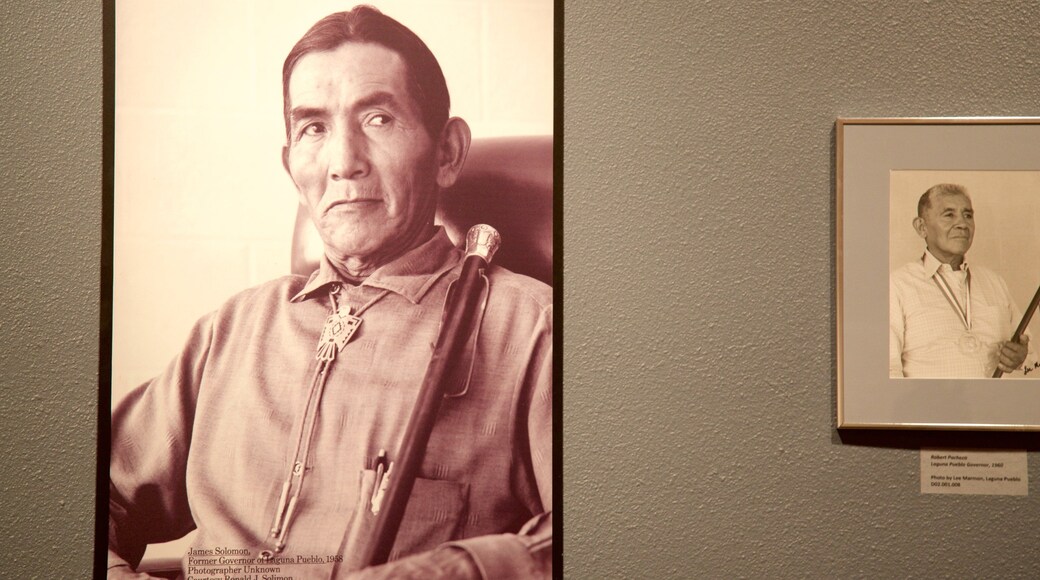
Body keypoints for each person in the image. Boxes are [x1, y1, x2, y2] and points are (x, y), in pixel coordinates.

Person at [108, 7, 552, 579]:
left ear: (446, 153)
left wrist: (440, 572)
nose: (344, 163)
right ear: (291, 163)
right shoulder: (232, 329)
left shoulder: (532, 329)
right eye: (313, 127)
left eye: (378, 119)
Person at [890, 183, 1037, 378]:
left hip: (994, 406)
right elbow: (889, 371)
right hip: (931, 406)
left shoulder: (995, 282)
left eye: (968, 215)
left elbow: (1034, 363)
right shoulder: (897, 285)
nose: (962, 224)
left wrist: (1022, 359)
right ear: (921, 227)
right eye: (949, 215)